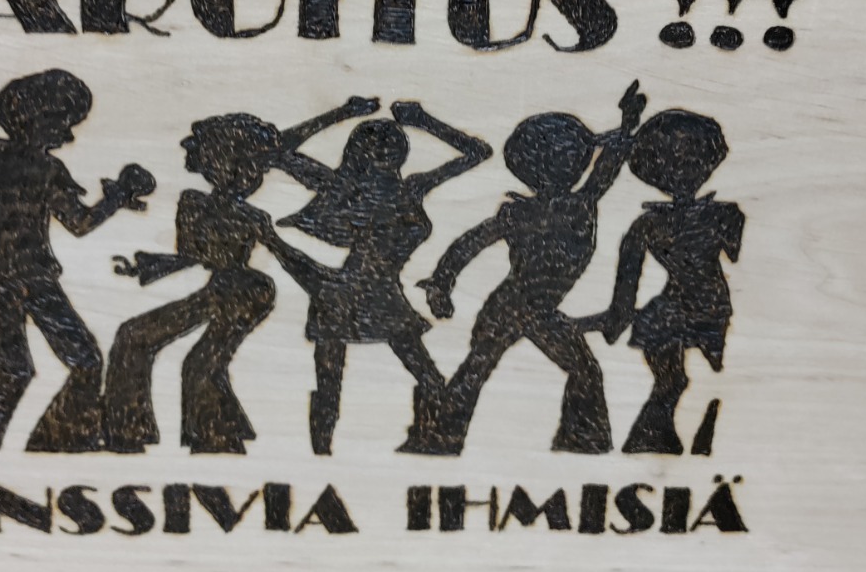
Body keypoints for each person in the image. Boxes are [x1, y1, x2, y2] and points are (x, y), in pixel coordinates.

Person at [102, 97, 378, 454]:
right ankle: (129, 432)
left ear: (222, 160)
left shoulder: (251, 217)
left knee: (201, 363)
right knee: (133, 336)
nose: (191, 150)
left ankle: (215, 439)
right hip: (218, 289)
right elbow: (192, 257)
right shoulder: (192, 202)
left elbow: (283, 249)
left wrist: (324, 285)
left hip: (247, 293)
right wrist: (148, 266)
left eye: (202, 149)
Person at [0, 69, 153, 452]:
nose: (67, 137)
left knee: (53, 364)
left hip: (17, 279)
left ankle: (60, 436)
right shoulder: (37, 168)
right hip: (11, 280)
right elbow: (79, 223)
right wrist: (117, 197)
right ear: (35, 118)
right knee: (39, 367)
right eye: (63, 125)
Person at [419, 81, 645, 454]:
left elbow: (607, 166)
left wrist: (626, 126)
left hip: (527, 307)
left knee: (489, 370)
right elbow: (470, 243)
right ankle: (440, 437)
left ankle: (580, 442)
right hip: (515, 304)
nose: (579, 164)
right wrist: (441, 282)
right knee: (483, 370)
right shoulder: (560, 208)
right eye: (572, 158)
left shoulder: (574, 205)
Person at [275, 101, 491, 455]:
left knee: (424, 377)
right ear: (358, 153)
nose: (384, 149)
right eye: (374, 144)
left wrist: (424, 120)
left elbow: (478, 152)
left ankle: (435, 441)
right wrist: (343, 112)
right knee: (331, 384)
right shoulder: (342, 186)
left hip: (376, 295)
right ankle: (319, 454)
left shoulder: (410, 187)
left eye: (391, 142)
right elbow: (277, 149)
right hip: (345, 294)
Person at [593, 109, 744, 454]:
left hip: (705, 310)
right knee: (675, 381)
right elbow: (625, 289)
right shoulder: (716, 216)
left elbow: (625, 291)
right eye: (674, 162)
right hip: (691, 309)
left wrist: (614, 321)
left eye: (691, 159)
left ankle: (676, 436)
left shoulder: (712, 216)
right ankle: (660, 440)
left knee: (691, 381)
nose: (683, 170)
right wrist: (612, 320)